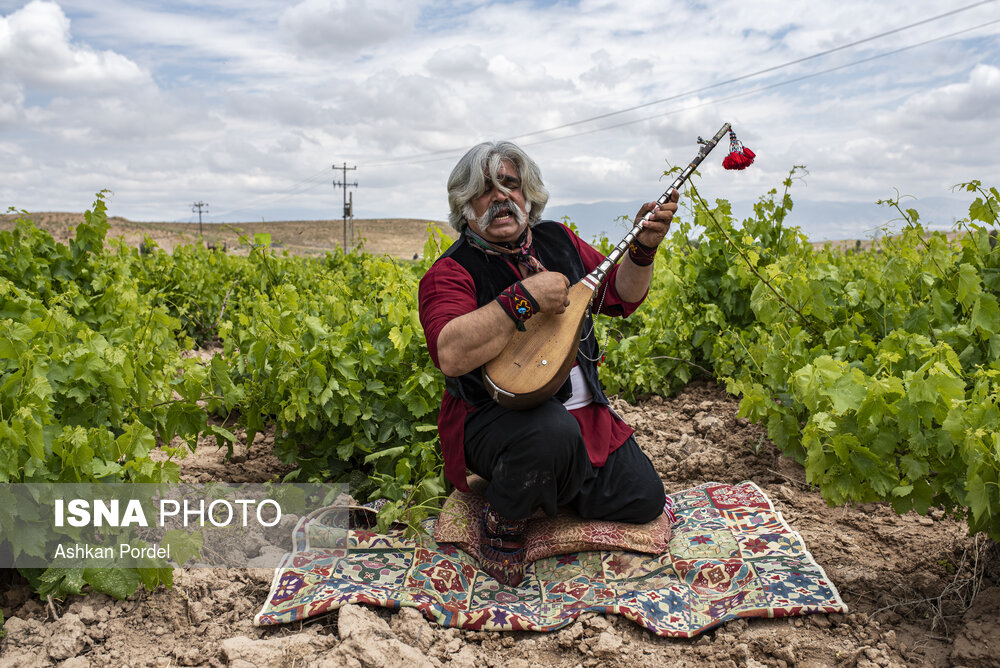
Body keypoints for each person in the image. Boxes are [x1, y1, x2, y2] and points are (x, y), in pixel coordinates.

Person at [418, 141, 676, 587]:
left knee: (644, 499)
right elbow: (451, 352)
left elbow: (621, 294)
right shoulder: (452, 271)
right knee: (549, 432)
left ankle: (543, 485)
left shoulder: (558, 240)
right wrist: (523, 299)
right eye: (486, 189)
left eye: (511, 185)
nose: (501, 197)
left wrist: (643, 250)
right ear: (464, 204)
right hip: (498, 422)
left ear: (528, 194)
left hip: (582, 416)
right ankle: (504, 522)